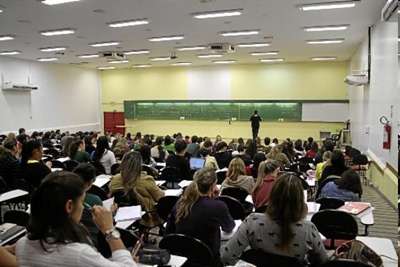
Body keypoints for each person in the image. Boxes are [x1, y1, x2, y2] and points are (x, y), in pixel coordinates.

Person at [16, 171, 137, 267]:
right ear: (69, 206)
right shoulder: (80, 255)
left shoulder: (22, 245)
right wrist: (109, 229)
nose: (83, 207)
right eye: (81, 201)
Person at [221, 173, 328, 266]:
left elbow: (226, 257)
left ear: (272, 195)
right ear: (300, 200)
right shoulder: (308, 229)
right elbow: (323, 262)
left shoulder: (252, 222)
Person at [166, 168, 235, 260]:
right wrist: (215, 200)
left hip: (182, 257)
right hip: (208, 259)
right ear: (213, 186)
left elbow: (169, 231)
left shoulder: (181, 203)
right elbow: (229, 227)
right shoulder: (218, 206)